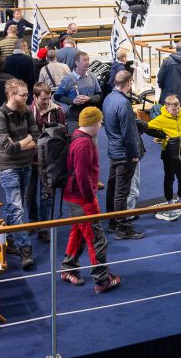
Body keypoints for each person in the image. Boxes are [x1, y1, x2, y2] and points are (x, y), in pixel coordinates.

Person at [59, 106, 122, 293]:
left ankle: (68, 267)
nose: (101, 125)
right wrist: (90, 198)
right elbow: (82, 176)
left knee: (78, 232)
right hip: (82, 199)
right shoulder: (84, 144)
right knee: (96, 238)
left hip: (73, 196)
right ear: (93, 123)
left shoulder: (76, 137)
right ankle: (102, 280)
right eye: (100, 122)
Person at [0, 79, 38, 270]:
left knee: (13, 206)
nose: (27, 97)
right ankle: (25, 249)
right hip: (8, 167)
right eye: (23, 95)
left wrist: (22, 142)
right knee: (17, 208)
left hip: (26, 165)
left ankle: (7, 238)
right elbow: (9, 148)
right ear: (11, 95)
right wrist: (27, 139)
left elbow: (36, 137)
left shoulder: (26, 111)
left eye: (27, 94)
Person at [102, 71, 144, 239]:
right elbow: (129, 132)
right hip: (124, 153)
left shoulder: (108, 98)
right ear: (129, 82)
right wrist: (134, 153)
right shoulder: (124, 103)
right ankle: (123, 228)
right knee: (122, 191)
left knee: (112, 188)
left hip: (113, 150)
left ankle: (113, 222)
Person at [148, 93, 181, 221]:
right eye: (173, 110)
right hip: (168, 155)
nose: (176, 111)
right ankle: (170, 202)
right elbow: (147, 128)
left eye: (178, 108)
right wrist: (162, 135)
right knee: (169, 178)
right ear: (167, 108)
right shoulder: (161, 119)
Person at [31, 82, 65, 235]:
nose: (46, 101)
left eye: (48, 98)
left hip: (49, 160)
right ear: (35, 97)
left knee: (46, 195)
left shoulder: (58, 111)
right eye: (43, 98)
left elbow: (62, 134)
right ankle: (32, 223)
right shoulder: (27, 111)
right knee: (29, 195)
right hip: (31, 160)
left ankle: (44, 228)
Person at [53, 50, 103, 129]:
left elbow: (99, 95)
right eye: (84, 60)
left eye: (88, 60)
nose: (88, 62)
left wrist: (89, 98)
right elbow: (57, 96)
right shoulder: (68, 79)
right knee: (75, 137)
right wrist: (72, 101)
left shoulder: (92, 76)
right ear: (77, 62)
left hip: (91, 118)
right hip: (75, 118)